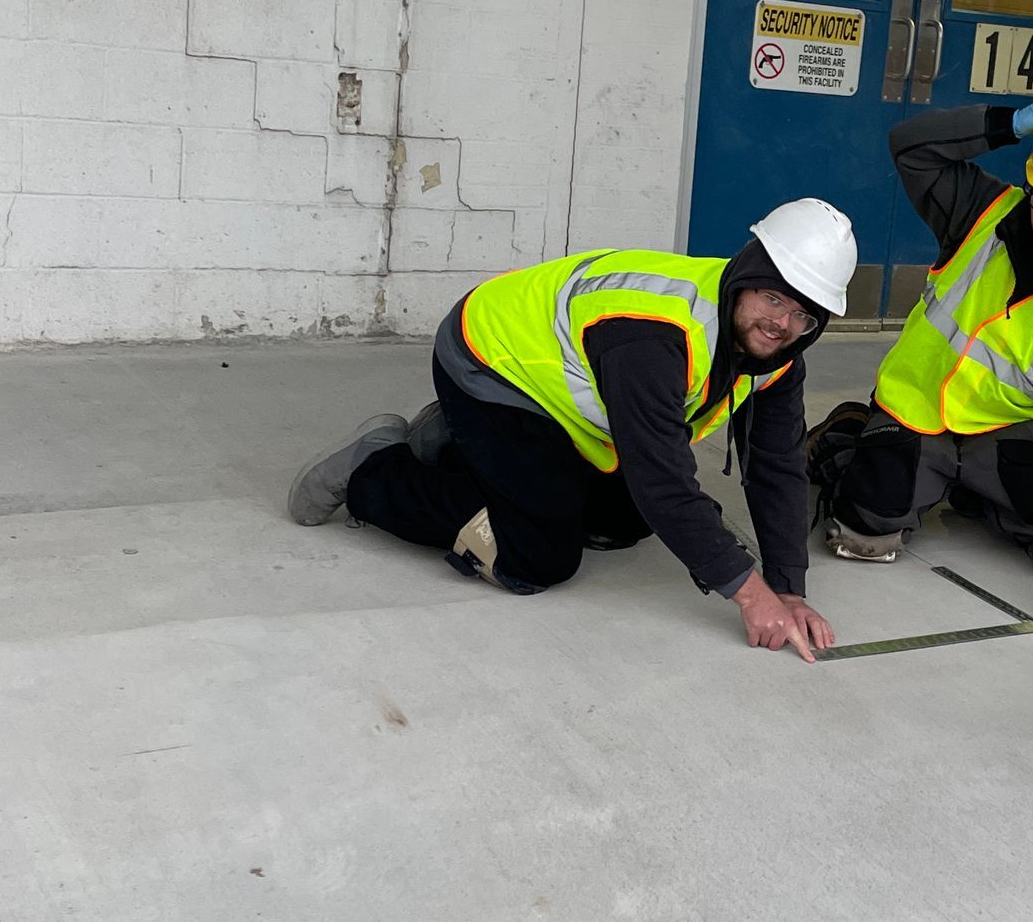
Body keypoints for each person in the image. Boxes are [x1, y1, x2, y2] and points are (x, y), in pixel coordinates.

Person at [287, 200, 856, 663]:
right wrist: (750, 595)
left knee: (622, 521)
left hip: (572, 396)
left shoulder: (778, 355)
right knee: (534, 557)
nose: (781, 324)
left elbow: (777, 465)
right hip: (494, 361)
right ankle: (373, 468)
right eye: (773, 298)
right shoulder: (657, 338)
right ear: (746, 277)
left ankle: (460, 446)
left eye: (804, 315)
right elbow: (662, 479)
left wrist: (788, 588)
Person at [821, 95, 1033, 633]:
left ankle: (972, 490)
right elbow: (909, 147)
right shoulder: (981, 211)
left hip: (999, 433)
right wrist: (1006, 123)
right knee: (867, 531)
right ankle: (845, 437)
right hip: (914, 411)